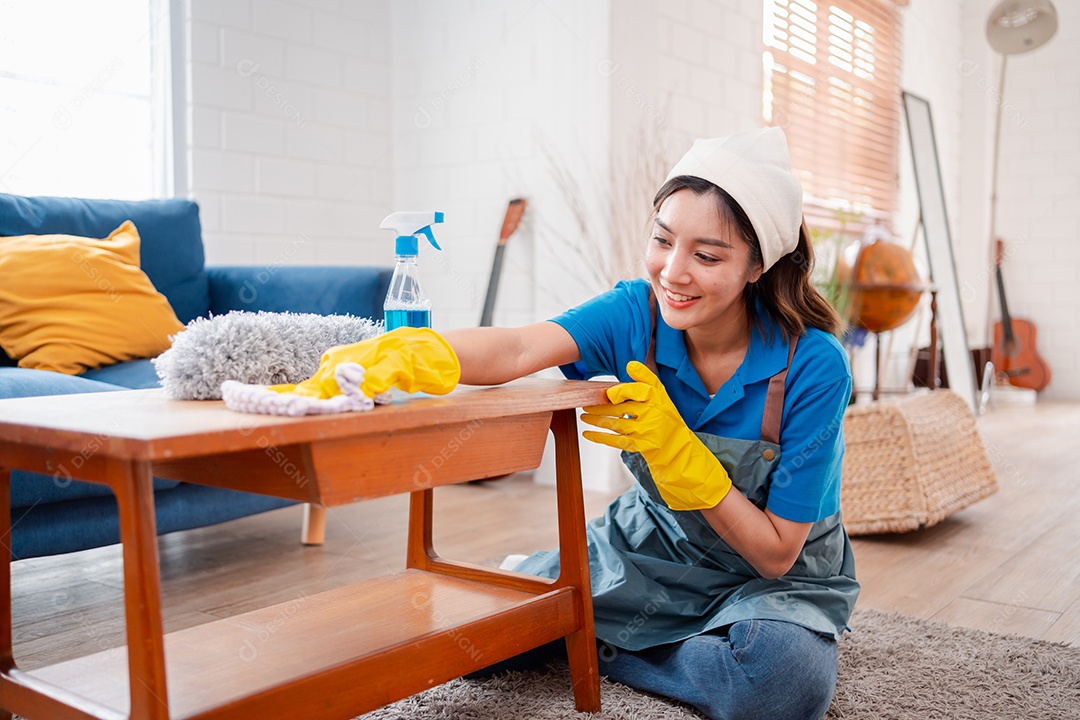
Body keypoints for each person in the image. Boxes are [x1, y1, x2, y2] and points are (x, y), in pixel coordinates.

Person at [270, 127, 859, 720]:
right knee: (476, 641)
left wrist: (688, 461)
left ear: (759, 264)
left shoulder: (812, 365)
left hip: (768, 583)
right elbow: (517, 349)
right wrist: (409, 352)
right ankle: (604, 628)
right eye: (662, 240)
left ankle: (595, 639)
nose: (673, 273)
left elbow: (776, 553)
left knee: (780, 687)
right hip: (651, 550)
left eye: (707, 256)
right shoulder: (637, 314)